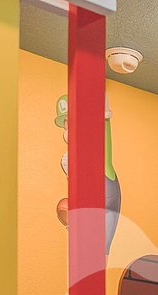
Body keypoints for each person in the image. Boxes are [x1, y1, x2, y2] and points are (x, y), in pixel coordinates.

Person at [54, 94, 121, 250]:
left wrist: (103, 112)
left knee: (100, 249)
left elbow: (105, 129)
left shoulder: (96, 155)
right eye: (65, 123)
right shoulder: (69, 160)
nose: (67, 127)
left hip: (103, 197)